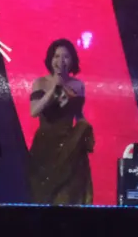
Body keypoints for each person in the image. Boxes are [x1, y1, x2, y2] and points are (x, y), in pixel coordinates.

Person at [28, 39, 94, 204]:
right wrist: (53, 90)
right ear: (51, 59)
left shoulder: (78, 86)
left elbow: (78, 114)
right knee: (41, 195)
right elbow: (34, 111)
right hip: (45, 146)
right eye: (56, 56)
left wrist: (86, 130)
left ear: (72, 61)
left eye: (66, 57)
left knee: (68, 195)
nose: (60, 61)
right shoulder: (40, 83)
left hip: (69, 147)